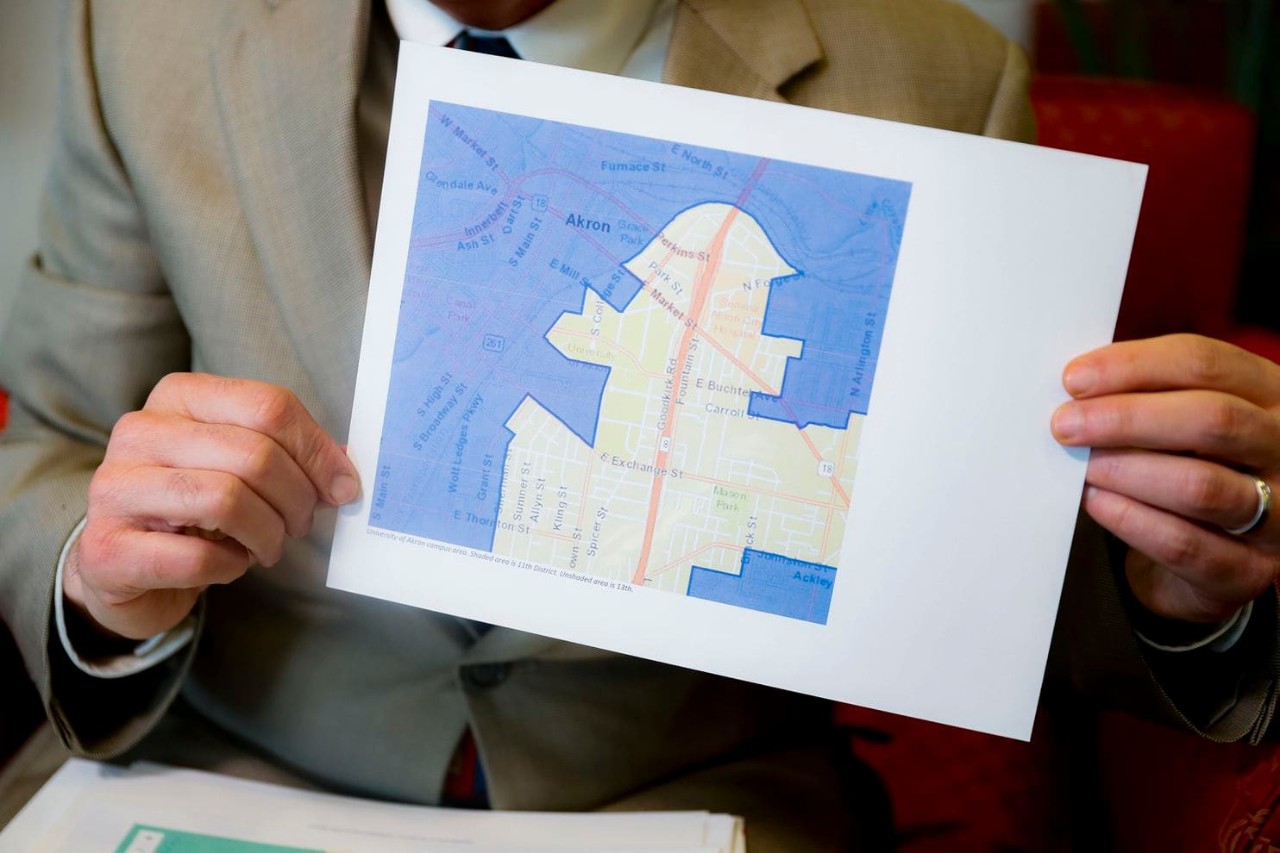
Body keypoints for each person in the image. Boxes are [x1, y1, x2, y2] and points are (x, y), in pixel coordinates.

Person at [0, 0, 1277, 848]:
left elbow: (988, 570)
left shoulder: (936, 78)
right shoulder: (148, 30)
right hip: (233, 771)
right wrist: (100, 580)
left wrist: (1180, 586)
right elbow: (52, 438)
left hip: (689, 797)